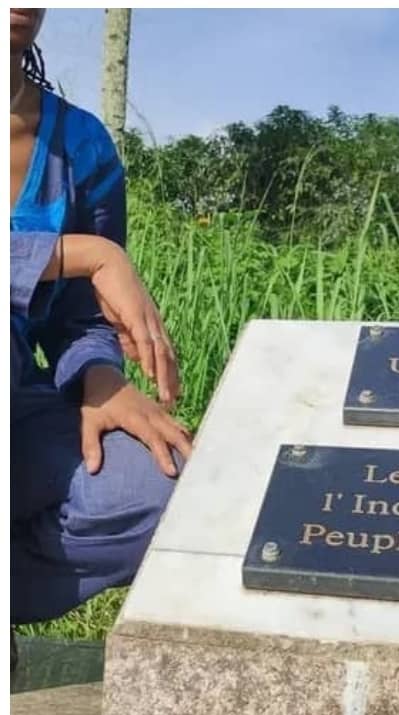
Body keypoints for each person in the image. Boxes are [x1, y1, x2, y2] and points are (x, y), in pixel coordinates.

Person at [10, 8, 191, 660]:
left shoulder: (80, 143)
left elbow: (81, 317)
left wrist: (100, 377)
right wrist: (84, 253)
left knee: (160, 486)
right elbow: (88, 266)